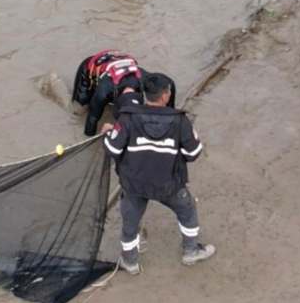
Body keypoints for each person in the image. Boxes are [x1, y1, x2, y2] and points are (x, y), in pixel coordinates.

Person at [104, 73, 214, 274]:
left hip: (134, 185)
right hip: (169, 184)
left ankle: (130, 262)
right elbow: (193, 153)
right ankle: (191, 251)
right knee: (187, 211)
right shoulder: (180, 121)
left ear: (145, 95)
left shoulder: (126, 117)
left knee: (130, 222)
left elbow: (112, 149)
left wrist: (108, 132)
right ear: (165, 95)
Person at [72, 50, 146, 136]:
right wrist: (89, 134)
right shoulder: (104, 90)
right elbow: (93, 115)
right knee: (83, 103)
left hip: (118, 62)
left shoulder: (145, 79)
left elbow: (161, 94)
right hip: (91, 65)